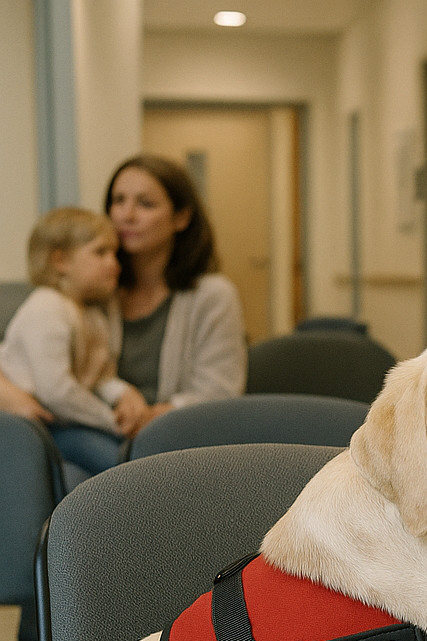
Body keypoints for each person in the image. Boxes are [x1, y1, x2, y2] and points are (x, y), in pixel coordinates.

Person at [102, 154, 246, 434]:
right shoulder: (94, 290)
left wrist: (150, 418)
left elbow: (219, 393)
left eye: (145, 204)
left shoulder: (214, 295)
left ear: (181, 218)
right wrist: (118, 395)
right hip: (99, 429)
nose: (126, 216)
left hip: (175, 437)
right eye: (118, 201)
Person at [0, 207, 136, 475]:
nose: (115, 264)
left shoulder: (92, 313)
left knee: (129, 452)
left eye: (115, 253)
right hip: (39, 424)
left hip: (65, 419)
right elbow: (56, 391)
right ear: (60, 261)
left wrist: (123, 394)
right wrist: (110, 421)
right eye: (100, 252)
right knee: (118, 463)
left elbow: (97, 376)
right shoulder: (47, 307)